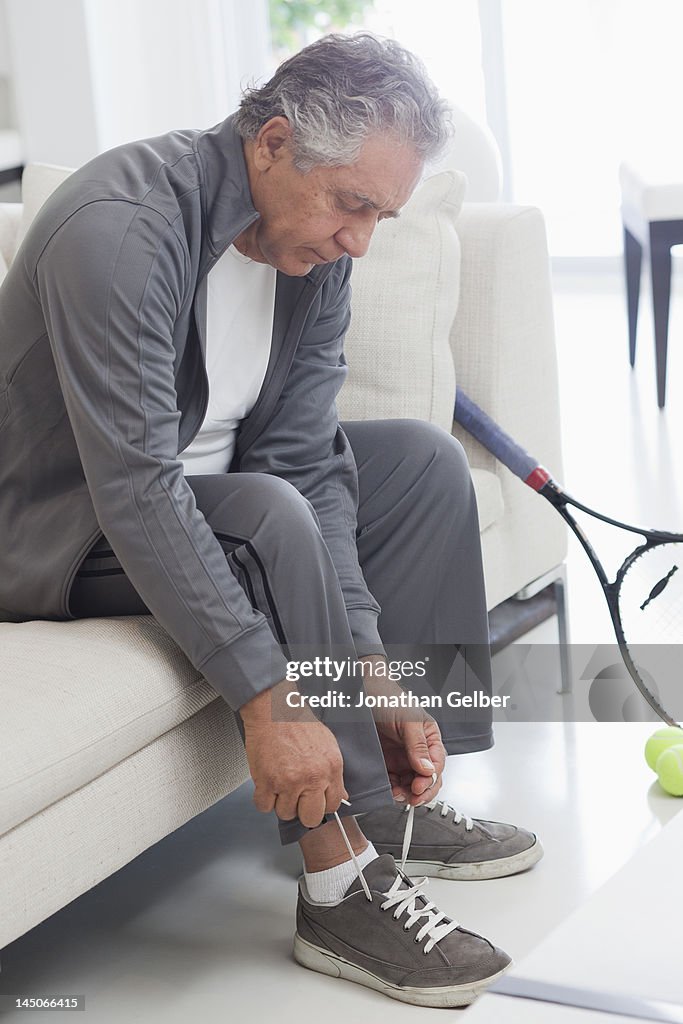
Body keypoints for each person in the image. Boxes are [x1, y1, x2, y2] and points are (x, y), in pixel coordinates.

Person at [0, 33, 542, 1008]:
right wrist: (268, 699)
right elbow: (135, 487)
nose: (360, 240)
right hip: (56, 533)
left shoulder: (311, 258)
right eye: (351, 204)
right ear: (273, 143)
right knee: (263, 513)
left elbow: (303, 458)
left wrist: (376, 673)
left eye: (380, 214)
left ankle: (407, 794)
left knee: (420, 467)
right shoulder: (120, 227)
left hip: (230, 497)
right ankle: (343, 883)